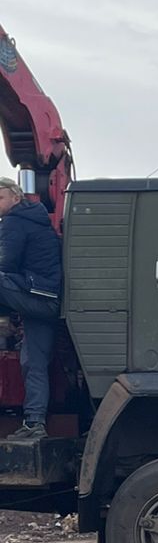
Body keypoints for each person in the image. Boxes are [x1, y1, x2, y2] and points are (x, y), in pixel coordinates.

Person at [0, 176, 62, 443]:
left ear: (16, 197)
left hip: (37, 297)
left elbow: (6, 263)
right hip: (45, 300)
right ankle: (34, 422)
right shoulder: (36, 219)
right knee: (33, 363)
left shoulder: (14, 220)